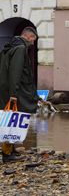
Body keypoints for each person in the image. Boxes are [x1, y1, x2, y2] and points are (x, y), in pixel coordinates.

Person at [0, 27, 39, 162]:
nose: (33, 43)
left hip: (5, 89)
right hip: (14, 91)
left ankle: (11, 149)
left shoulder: (10, 47)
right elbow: (15, 72)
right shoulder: (20, 49)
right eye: (33, 40)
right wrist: (14, 94)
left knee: (10, 119)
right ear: (28, 37)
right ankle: (7, 154)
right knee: (11, 122)